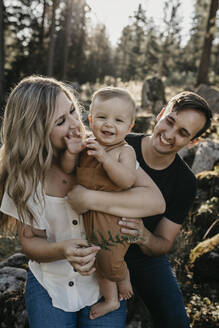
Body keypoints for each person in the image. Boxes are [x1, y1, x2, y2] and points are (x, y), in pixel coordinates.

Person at [0, 76, 165, 328]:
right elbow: (30, 240)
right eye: (61, 121)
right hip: (50, 285)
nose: (76, 124)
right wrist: (62, 249)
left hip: (103, 282)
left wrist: (91, 198)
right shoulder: (25, 176)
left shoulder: (102, 148)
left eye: (73, 110)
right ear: (36, 131)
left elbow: (154, 201)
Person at [67, 91, 212, 328]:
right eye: (171, 121)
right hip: (97, 243)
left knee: (176, 320)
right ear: (161, 113)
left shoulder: (184, 181)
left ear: (192, 142)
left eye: (183, 133)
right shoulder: (119, 140)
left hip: (143, 258)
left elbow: (164, 243)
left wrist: (143, 235)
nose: (169, 135)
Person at [61, 87, 141, 319]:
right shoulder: (87, 145)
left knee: (110, 261)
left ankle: (118, 287)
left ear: (130, 127)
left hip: (113, 219)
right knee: (98, 259)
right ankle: (113, 291)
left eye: (118, 120)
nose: (109, 124)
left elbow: (127, 181)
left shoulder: (123, 151)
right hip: (90, 219)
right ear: (91, 119)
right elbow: (69, 172)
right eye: (102, 117)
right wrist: (71, 152)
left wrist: (105, 159)